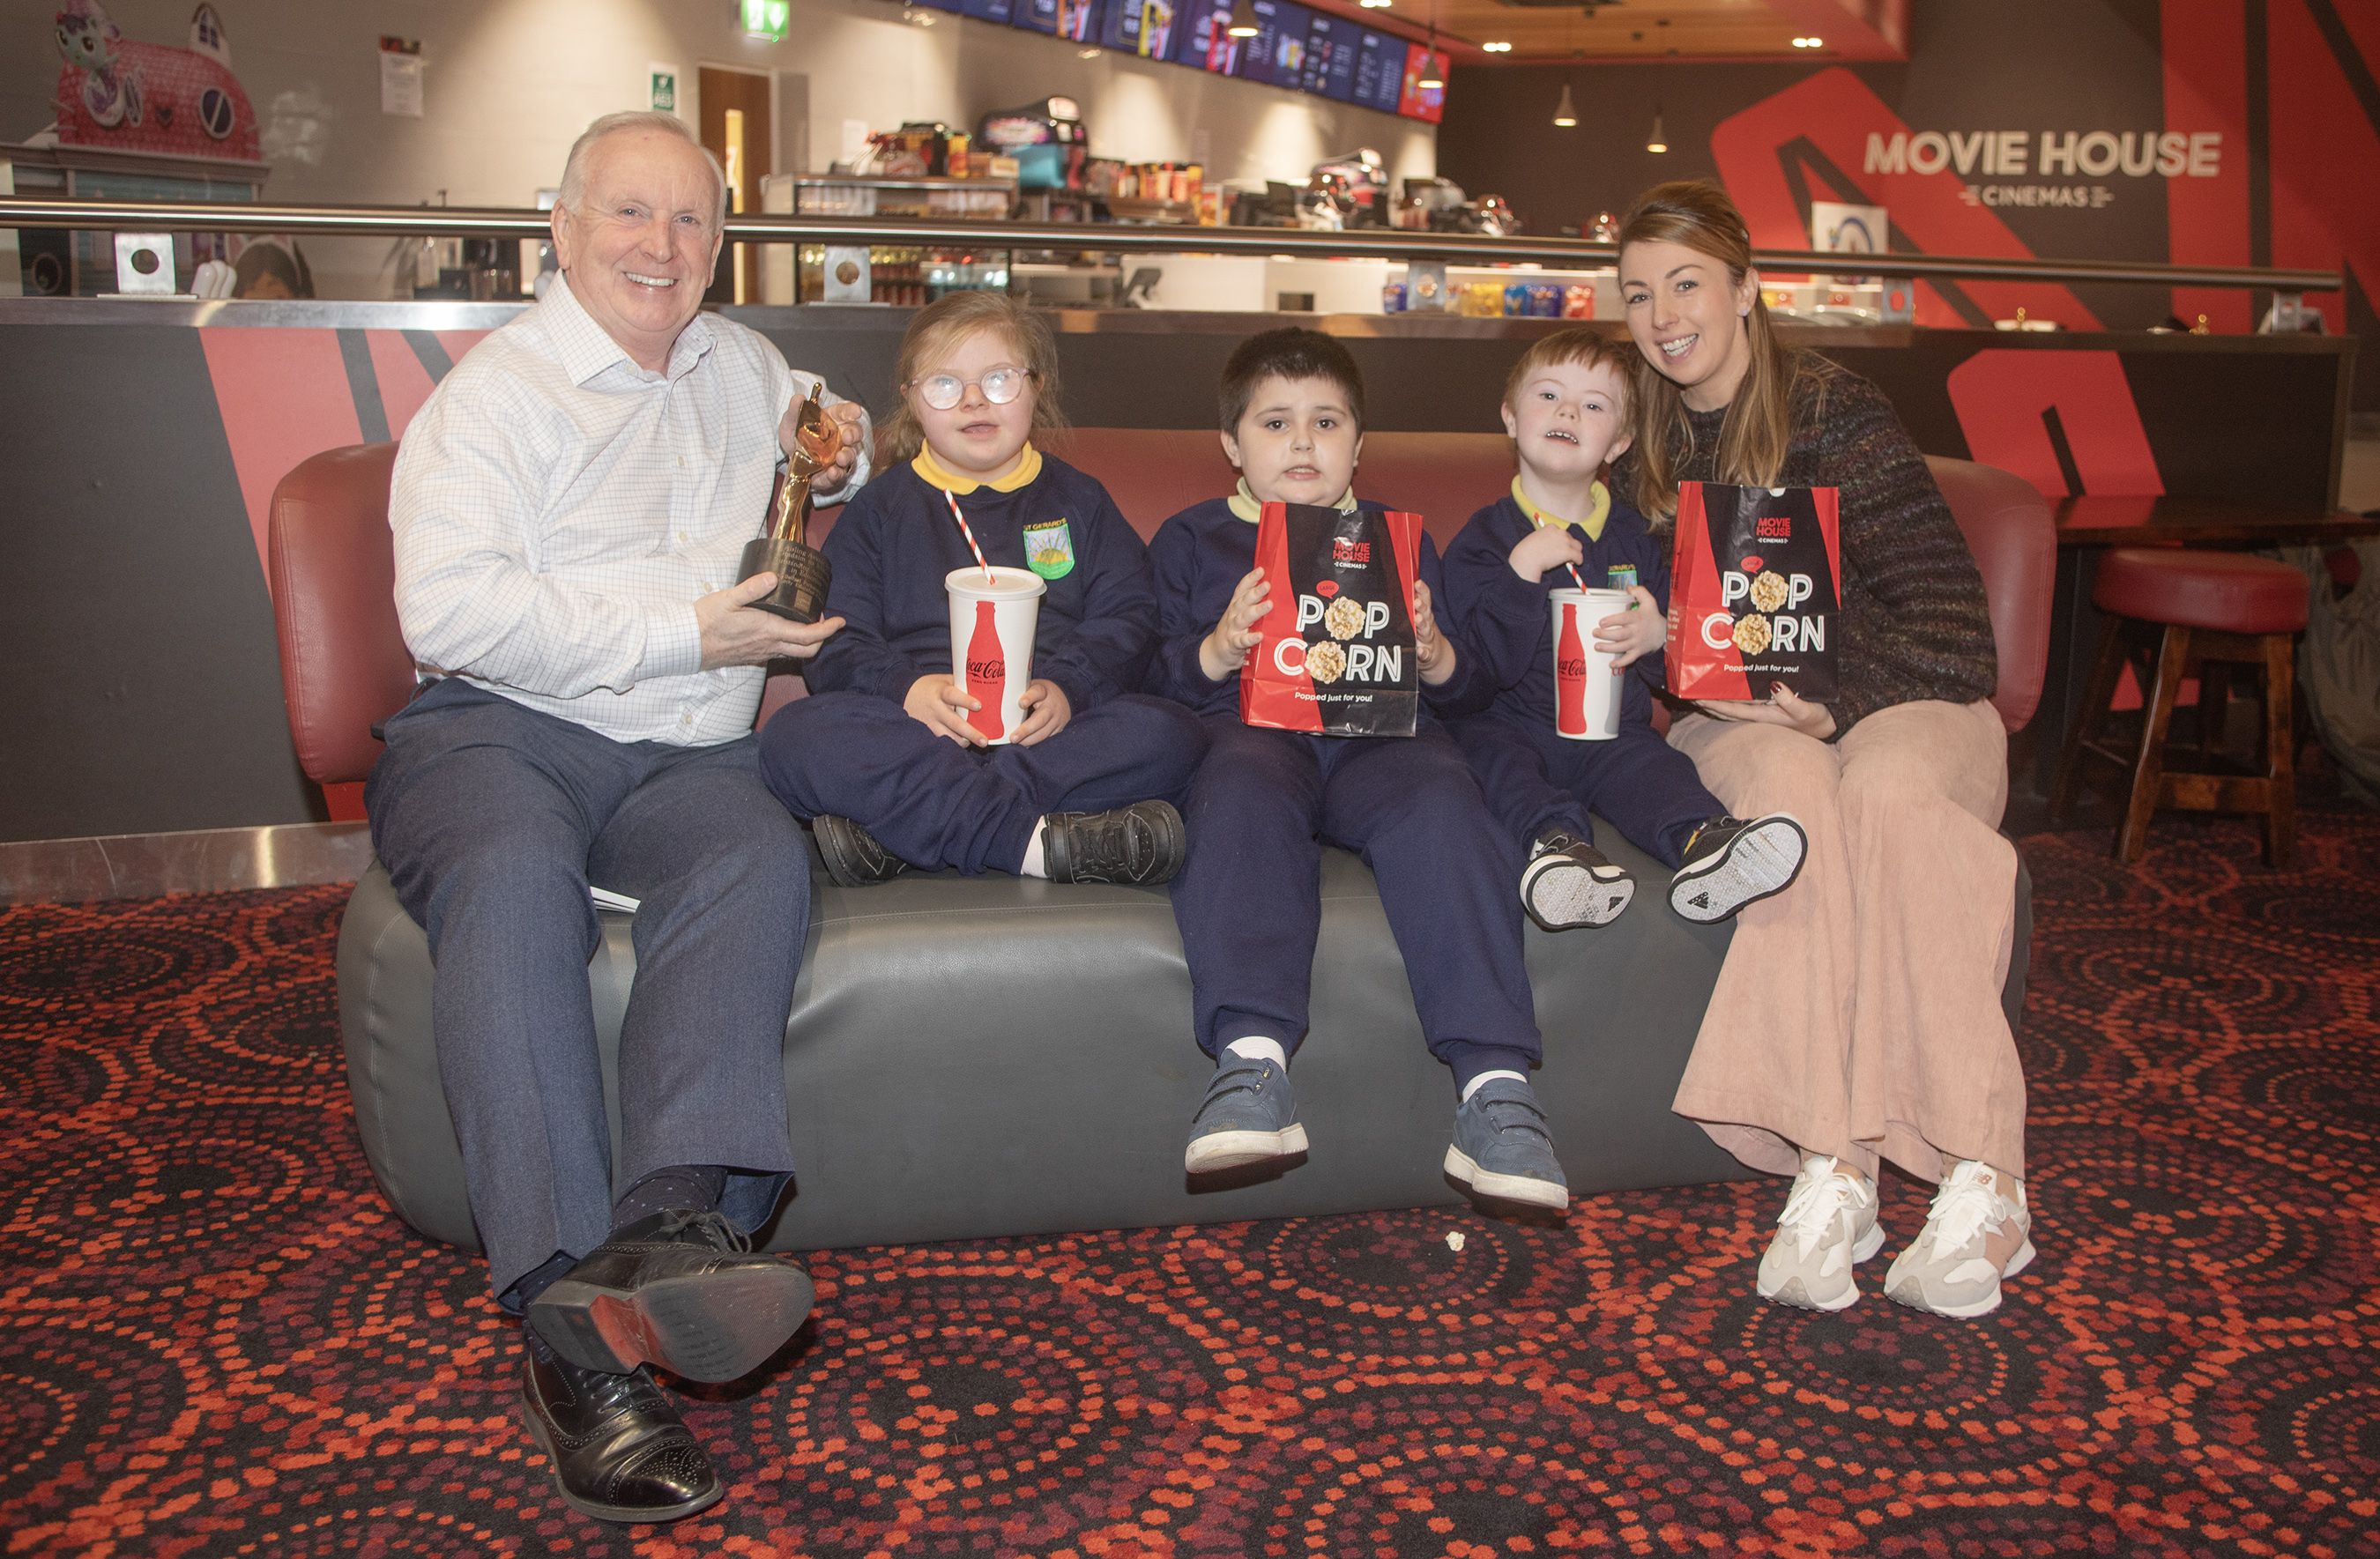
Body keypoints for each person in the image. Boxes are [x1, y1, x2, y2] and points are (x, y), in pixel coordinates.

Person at [369, 110, 872, 1524]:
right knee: (515, 875)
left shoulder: (746, 363)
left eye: (693, 221)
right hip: (493, 730)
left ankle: (668, 1230)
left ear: (721, 241)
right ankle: (565, 1326)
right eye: (630, 216)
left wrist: (842, 448)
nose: (663, 247)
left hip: (685, 757)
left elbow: (828, 445)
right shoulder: (496, 396)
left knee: (753, 857)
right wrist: (682, 629)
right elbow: (449, 610)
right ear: (563, 230)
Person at [1612, 180, 2024, 1317]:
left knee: (1884, 795)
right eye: (1639, 294)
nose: (1663, 315)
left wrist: (1830, 702)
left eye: (1686, 283)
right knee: (1790, 806)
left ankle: (1984, 1177)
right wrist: (1650, 639)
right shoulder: (1635, 442)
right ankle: (1835, 1166)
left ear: (1746, 289)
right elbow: (1655, 646)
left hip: (1906, 704)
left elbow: (1955, 635)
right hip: (1741, 727)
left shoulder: (1837, 412)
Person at [1145, 327, 1565, 1210]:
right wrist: (1218, 648)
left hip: (1385, 739)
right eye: (1275, 423)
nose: (1302, 442)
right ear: (1231, 445)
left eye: (1326, 421)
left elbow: (1467, 689)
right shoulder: (1191, 541)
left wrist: (1438, 647)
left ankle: (1496, 1089)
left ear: (1359, 445)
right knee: (1238, 793)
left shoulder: (1393, 539)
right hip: (1254, 732)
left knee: (1447, 803)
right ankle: (1251, 1064)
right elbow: (1145, 672)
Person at [759, 291, 1205, 886]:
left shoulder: (1079, 500)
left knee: (1173, 734)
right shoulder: (880, 510)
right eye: (945, 384)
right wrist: (908, 690)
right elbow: (838, 637)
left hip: (1045, 735)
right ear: (912, 402)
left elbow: (1129, 614)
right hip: (919, 730)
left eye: (998, 379)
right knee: (792, 740)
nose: (973, 399)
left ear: (1036, 387)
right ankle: (1037, 844)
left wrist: (1069, 688)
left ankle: (906, 830)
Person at [1439, 326, 1807, 932]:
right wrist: (1521, 573)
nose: (1567, 411)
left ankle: (1706, 843)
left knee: (1654, 766)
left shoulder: (1634, 537)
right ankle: (1557, 850)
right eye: (1549, 395)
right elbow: (1479, 673)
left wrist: (1659, 636)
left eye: (1593, 405)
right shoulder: (1484, 541)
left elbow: (1679, 673)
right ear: (1510, 417)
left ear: (1619, 443)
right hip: (1509, 725)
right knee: (1488, 760)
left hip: (1610, 729)